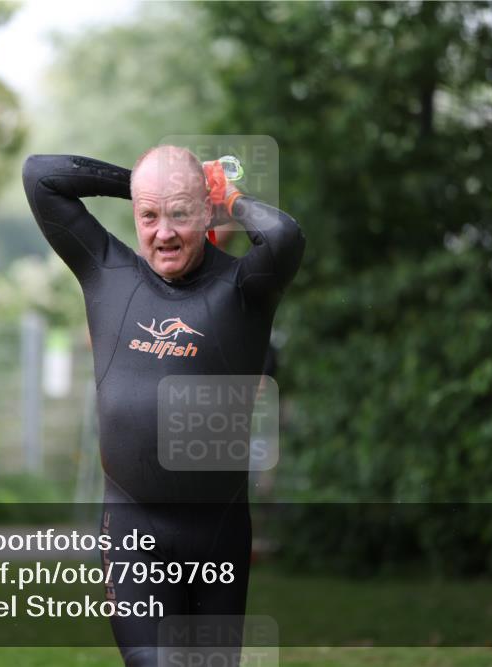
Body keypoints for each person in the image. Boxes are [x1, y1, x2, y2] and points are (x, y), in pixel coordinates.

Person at [22, 146, 304, 666]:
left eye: (180, 212)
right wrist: (151, 182)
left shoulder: (244, 290)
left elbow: (284, 236)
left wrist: (226, 194)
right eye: (148, 215)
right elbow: (41, 176)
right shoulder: (108, 273)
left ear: (204, 210)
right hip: (133, 530)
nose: (163, 232)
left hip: (216, 534)